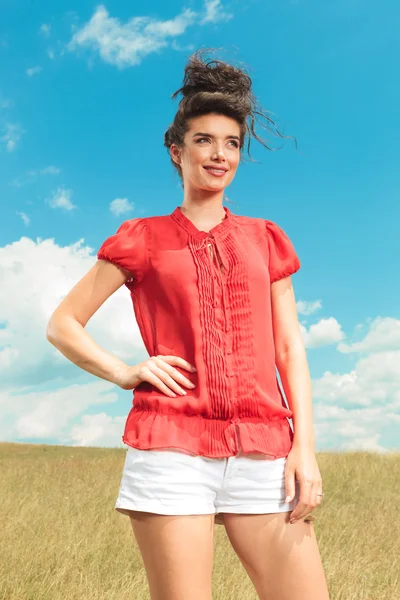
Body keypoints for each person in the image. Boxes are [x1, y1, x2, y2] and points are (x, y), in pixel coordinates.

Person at [46, 48, 330, 600]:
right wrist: (126, 372)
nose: (219, 155)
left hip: (263, 449)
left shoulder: (265, 238)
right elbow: (63, 324)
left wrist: (305, 448)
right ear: (177, 152)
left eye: (231, 144)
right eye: (204, 140)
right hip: (170, 449)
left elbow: (291, 348)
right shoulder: (141, 238)